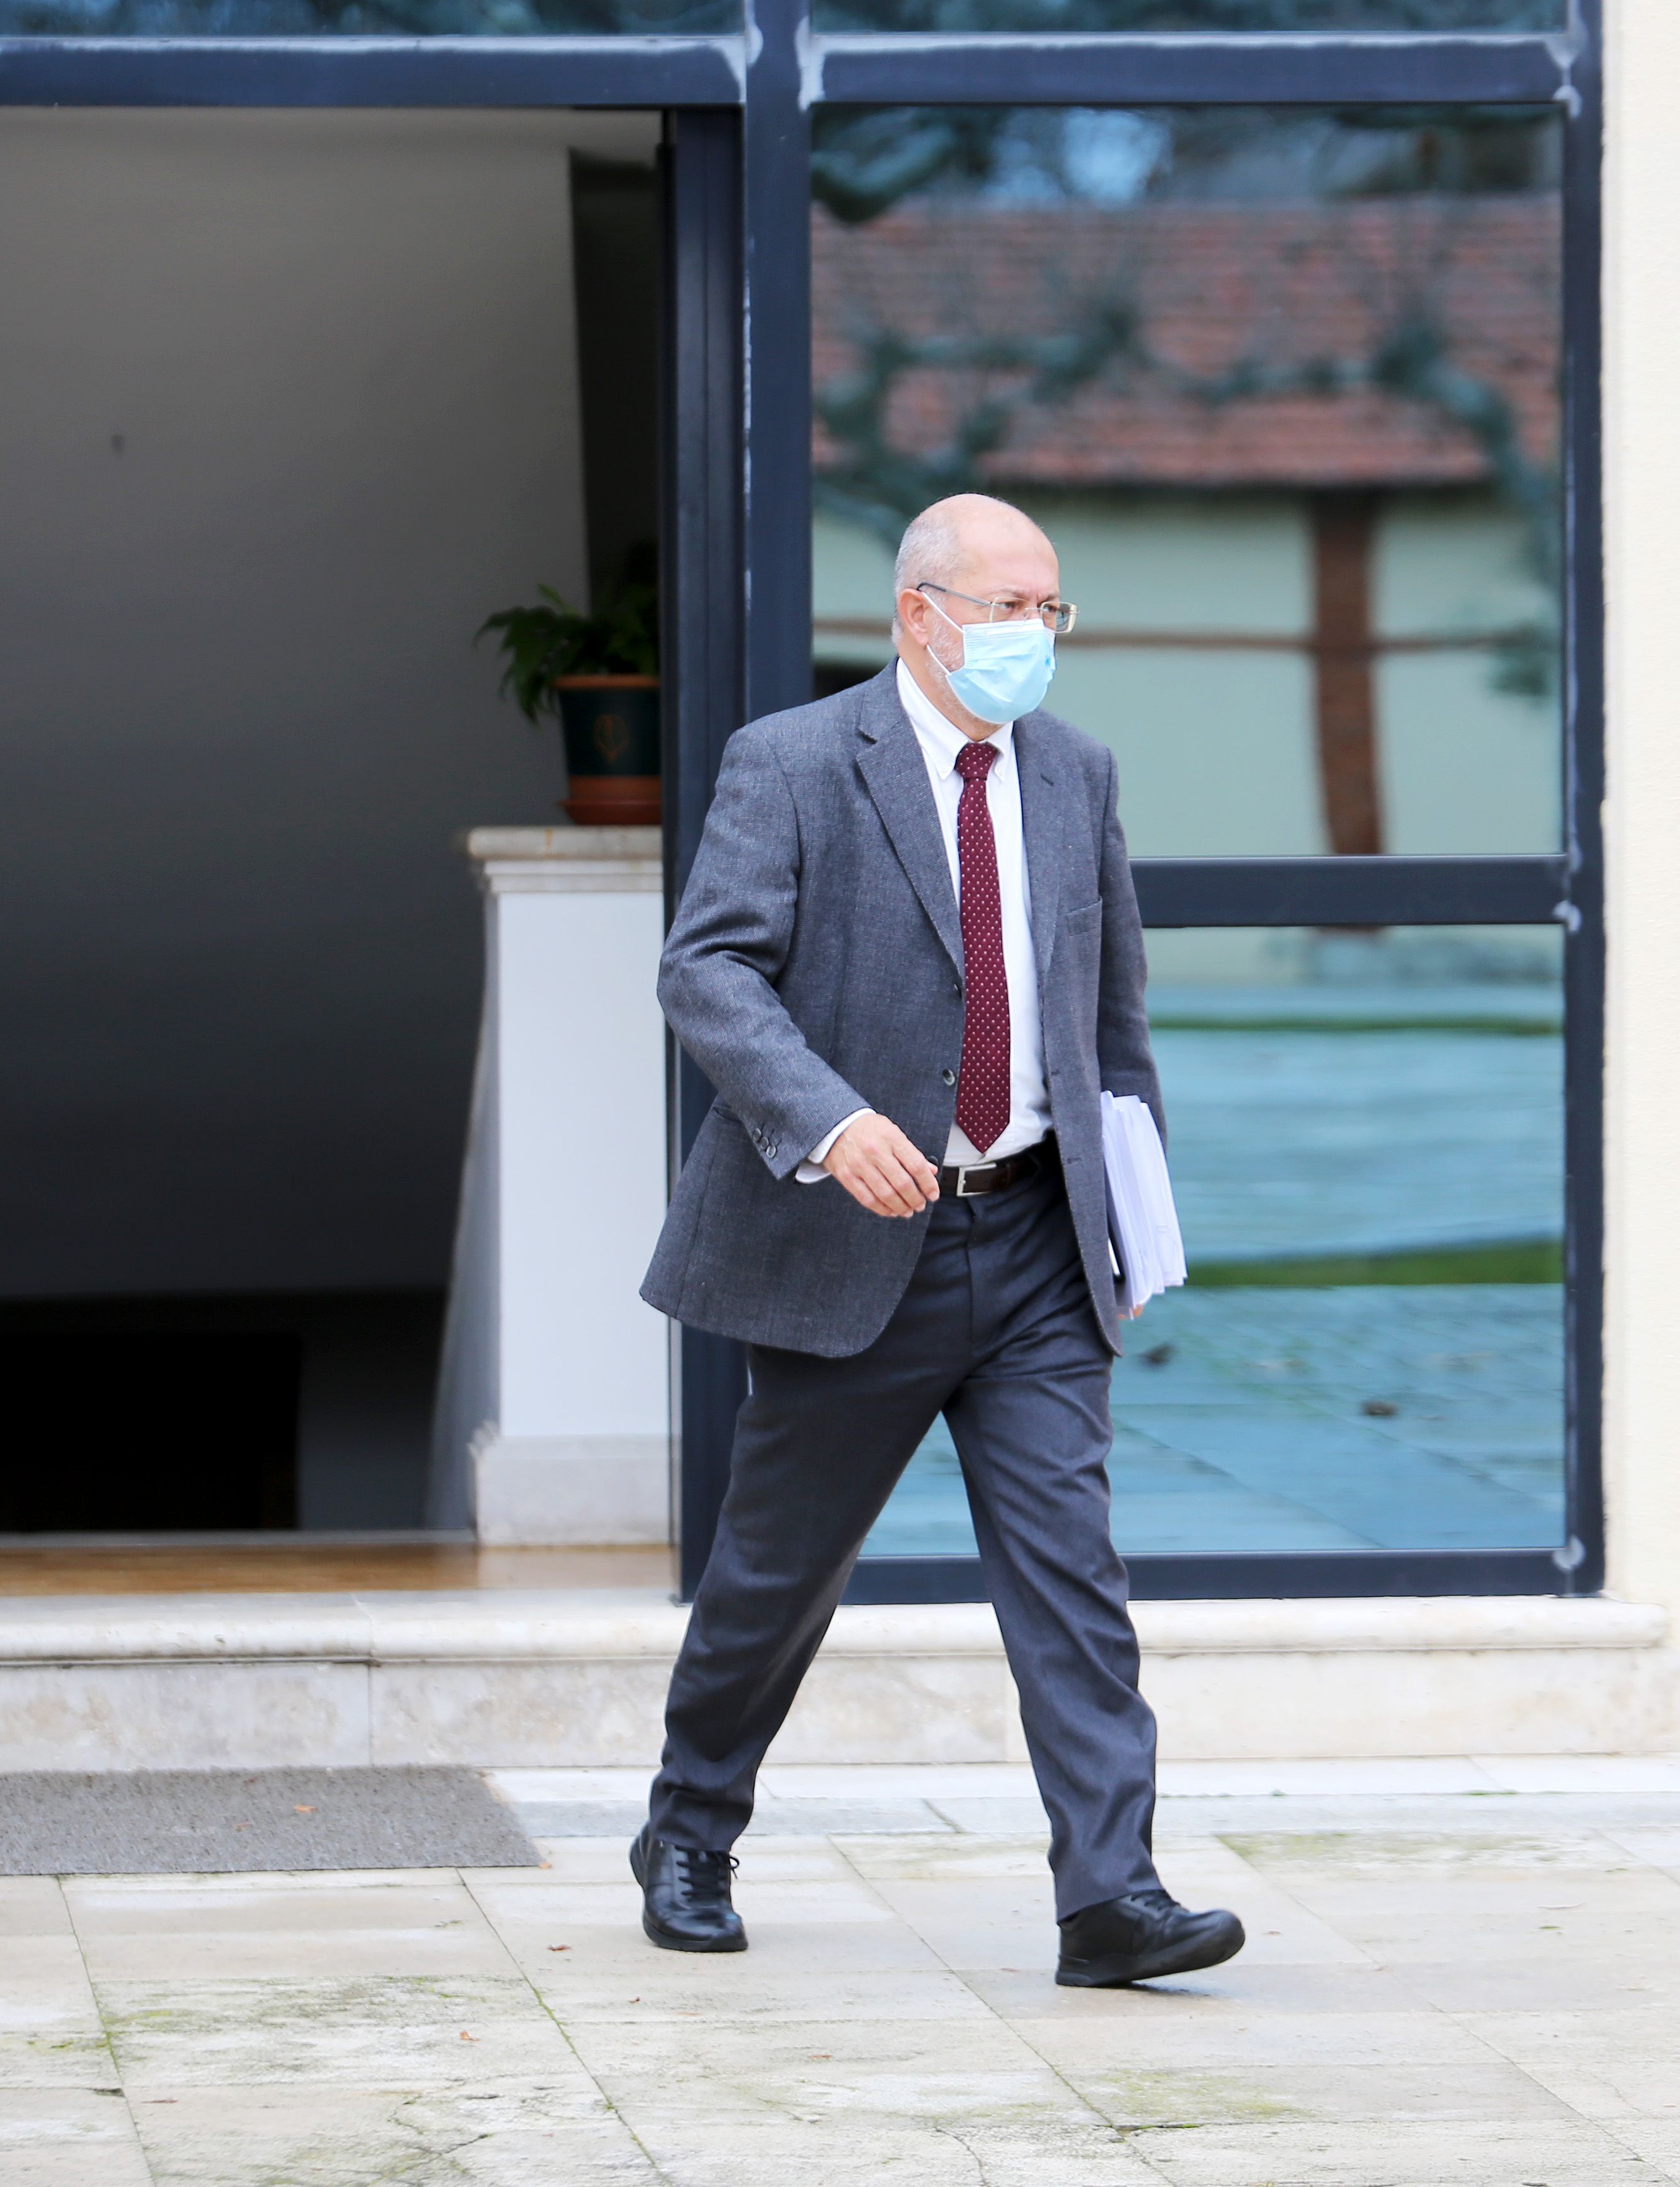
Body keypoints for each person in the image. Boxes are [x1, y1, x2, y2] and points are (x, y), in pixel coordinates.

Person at [632, 492, 1245, 1990]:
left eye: (1052, 612)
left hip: (1033, 1235)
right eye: (1007, 608)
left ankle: (1110, 1892)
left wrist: (1129, 1219)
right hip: (858, 1239)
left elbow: (1110, 1019)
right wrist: (831, 1124)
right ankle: (690, 1825)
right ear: (920, 612)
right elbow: (707, 971)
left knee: (1070, 1574)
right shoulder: (790, 764)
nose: (1033, 637)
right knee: (779, 1573)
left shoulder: (1076, 774)